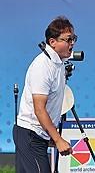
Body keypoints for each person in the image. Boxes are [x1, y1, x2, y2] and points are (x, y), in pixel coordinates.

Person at [14, 16, 76, 172]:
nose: (72, 43)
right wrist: (57, 138)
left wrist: (49, 136)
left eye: (73, 39)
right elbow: (39, 109)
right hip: (30, 135)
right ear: (52, 42)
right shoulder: (43, 67)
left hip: (37, 135)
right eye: (68, 40)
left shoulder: (58, 63)